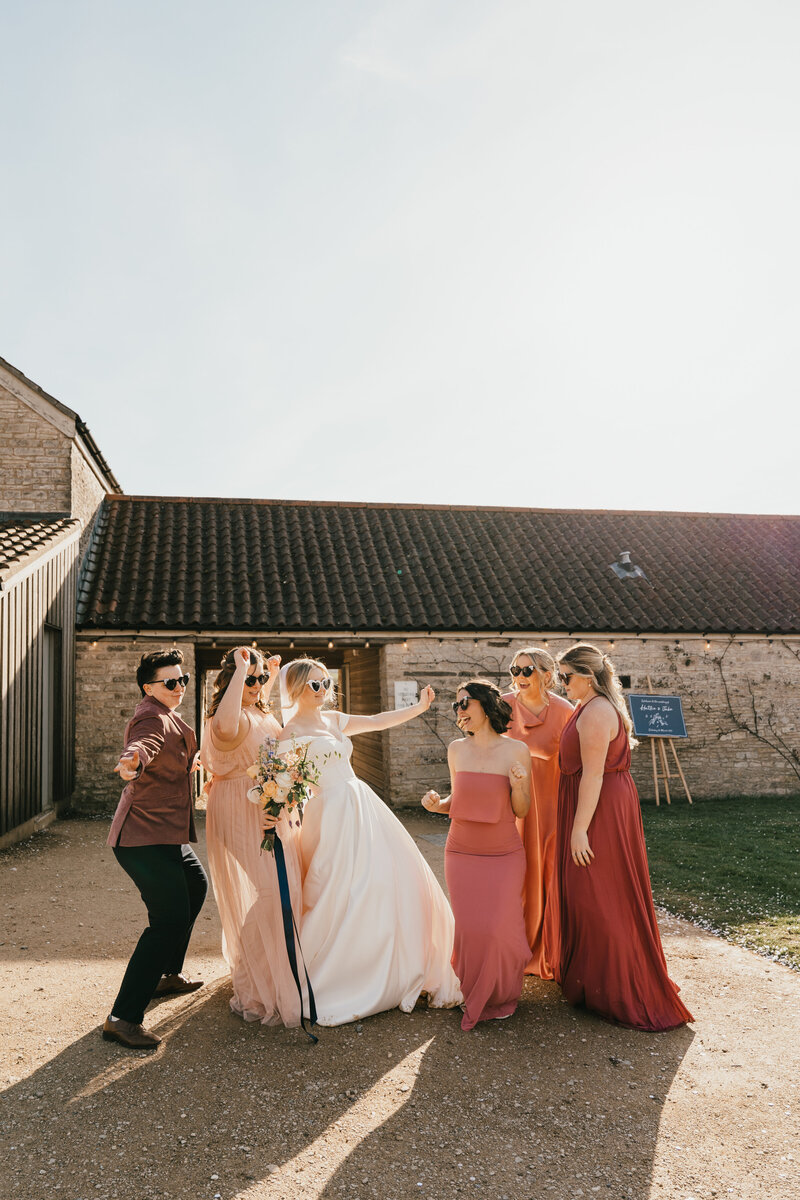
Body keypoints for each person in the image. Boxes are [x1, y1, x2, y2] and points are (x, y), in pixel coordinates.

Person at [277, 658, 462, 1026]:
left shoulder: (334, 719)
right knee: (332, 886)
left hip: (359, 803)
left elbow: (378, 721)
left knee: (384, 878)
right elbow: (284, 782)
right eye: (315, 685)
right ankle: (334, 973)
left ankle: (389, 962)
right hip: (324, 812)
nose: (323, 691)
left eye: (326, 683)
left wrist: (419, 708)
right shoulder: (289, 732)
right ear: (296, 688)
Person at [555, 643, 693, 1031]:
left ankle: (621, 988)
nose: (561, 683)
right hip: (595, 802)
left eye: (566, 676)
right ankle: (597, 984)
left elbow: (594, 775)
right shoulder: (587, 706)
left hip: (599, 809)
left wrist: (579, 829)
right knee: (592, 892)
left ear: (588, 676)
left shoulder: (597, 712)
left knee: (601, 893)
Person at [199, 646, 309, 1029]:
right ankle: (251, 978)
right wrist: (244, 669)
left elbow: (269, 750)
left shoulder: (260, 710)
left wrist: (269, 677)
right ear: (230, 679)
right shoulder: (225, 716)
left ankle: (264, 967)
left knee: (287, 887)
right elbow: (229, 731)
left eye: (261, 679)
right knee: (270, 890)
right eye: (250, 679)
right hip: (237, 808)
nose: (257, 684)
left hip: (266, 805)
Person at [104, 649, 207, 1050]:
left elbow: (170, 747)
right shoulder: (149, 715)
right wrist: (131, 761)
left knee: (195, 885)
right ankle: (122, 1017)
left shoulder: (167, 712)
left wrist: (187, 764)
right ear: (149, 687)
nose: (179, 687)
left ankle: (167, 975)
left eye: (183, 680)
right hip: (142, 839)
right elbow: (142, 745)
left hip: (167, 836)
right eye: (171, 682)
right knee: (168, 919)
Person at [422, 679, 532, 1031]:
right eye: (456, 706)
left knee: (500, 927)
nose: (459, 711)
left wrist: (519, 785)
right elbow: (458, 802)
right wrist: (437, 805)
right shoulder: (457, 750)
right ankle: (473, 993)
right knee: (470, 929)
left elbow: (522, 810)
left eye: (464, 703)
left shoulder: (516, 751)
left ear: (485, 705)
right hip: (461, 852)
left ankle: (502, 996)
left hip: (503, 854)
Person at [503, 646, 573, 980]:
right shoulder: (502, 706)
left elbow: (577, 763)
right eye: (514, 671)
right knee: (514, 872)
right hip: (511, 802)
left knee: (547, 872)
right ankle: (512, 947)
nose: (519, 678)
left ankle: (549, 949)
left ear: (546, 674)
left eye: (526, 670)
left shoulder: (564, 711)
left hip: (550, 804)